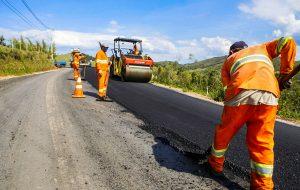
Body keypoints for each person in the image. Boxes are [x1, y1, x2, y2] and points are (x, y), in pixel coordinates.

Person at [207, 37, 296, 189]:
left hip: (239, 95)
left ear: (231, 52)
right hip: (269, 96)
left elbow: (227, 88)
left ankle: (214, 165)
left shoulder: (229, 60)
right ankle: (262, 186)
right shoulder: (264, 48)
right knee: (262, 143)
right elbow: (288, 41)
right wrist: (284, 73)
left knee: (224, 132)